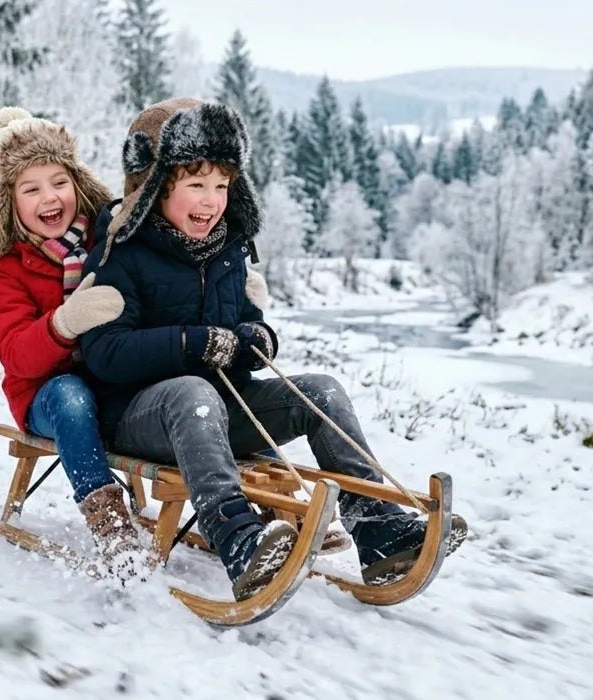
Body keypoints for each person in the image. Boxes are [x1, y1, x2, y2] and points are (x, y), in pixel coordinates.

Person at [80, 98, 467, 600]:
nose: (211, 200)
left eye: (222, 185)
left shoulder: (227, 248)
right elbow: (103, 353)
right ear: (154, 186)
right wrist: (191, 344)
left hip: (220, 410)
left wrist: (258, 339)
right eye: (195, 184)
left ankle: (379, 532)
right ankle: (239, 540)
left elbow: (247, 324)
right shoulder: (120, 252)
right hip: (138, 416)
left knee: (321, 393)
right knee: (191, 392)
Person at [0, 107, 139, 579]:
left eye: (58, 181)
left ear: (76, 181)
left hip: (112, 376)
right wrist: (64, 322)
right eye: (30, 188)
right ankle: (110, 526)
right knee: (70, 395)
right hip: (45, 393)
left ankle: (252, 507)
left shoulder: (109, 235)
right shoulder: (2, 266)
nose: (49, 197)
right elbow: (18, 356)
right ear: (9, 202)